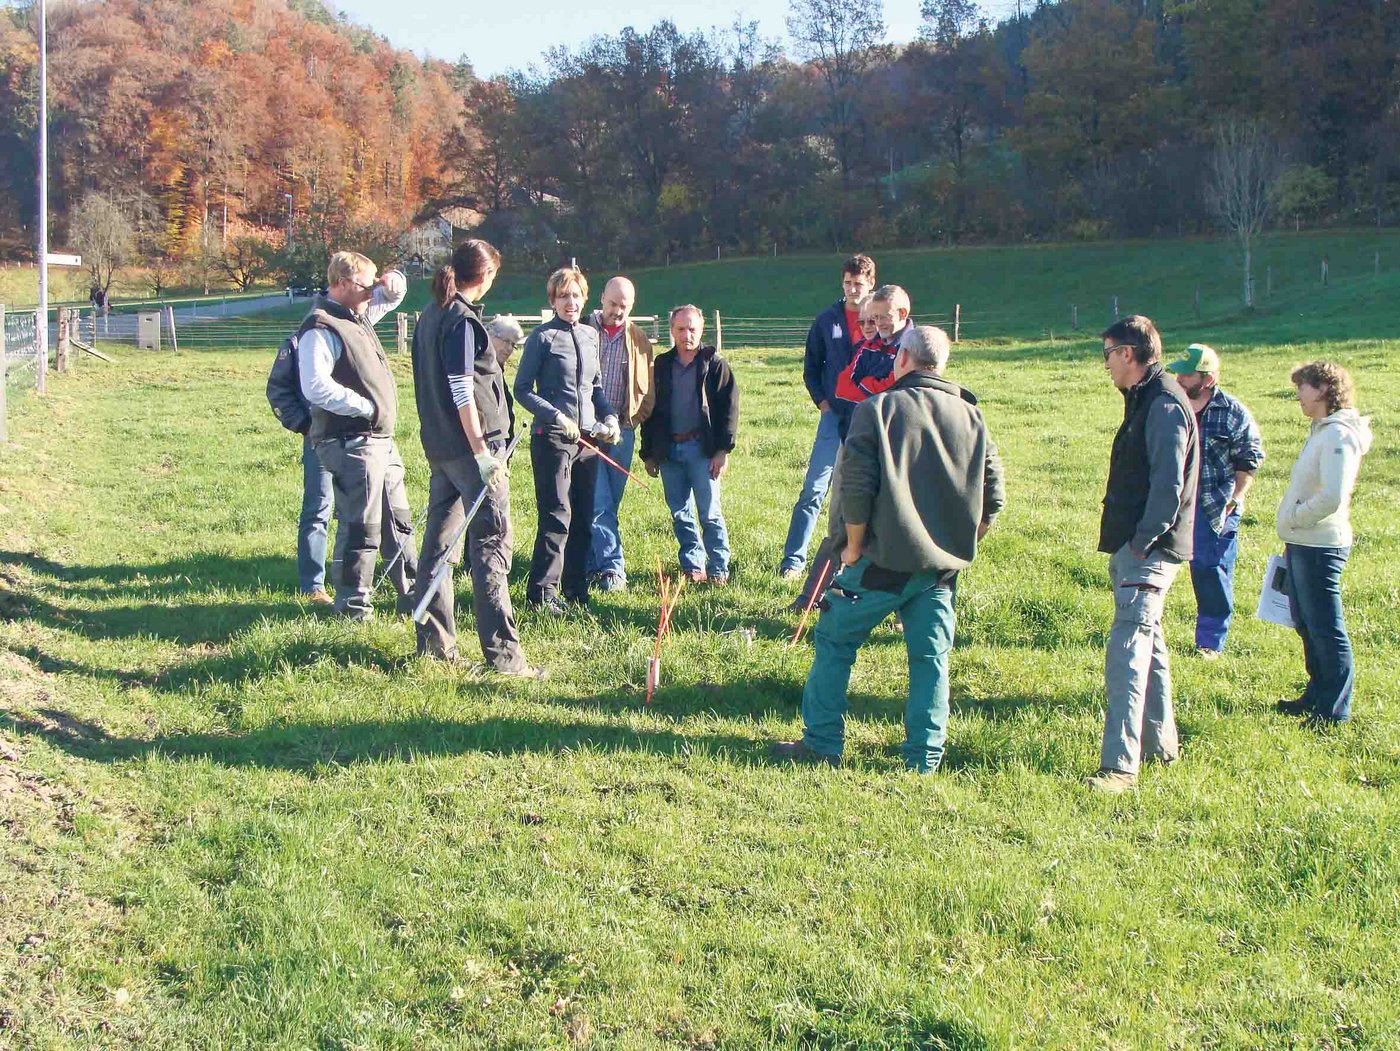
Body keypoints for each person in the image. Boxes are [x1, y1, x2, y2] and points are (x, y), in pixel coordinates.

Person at [772, 326, 1004, 772]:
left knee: (835, 641)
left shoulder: (878, 410)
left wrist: (853, 547)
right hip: (940, 568)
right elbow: (993, 499)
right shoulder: (972, 416)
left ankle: (822, 743)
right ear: (941, 365)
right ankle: (924, 759)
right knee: (931, 660)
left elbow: (855, 489)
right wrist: (961, 543)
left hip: (879, 562)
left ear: (901, 360)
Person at [407, 239, 544, 678]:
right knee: (491, 548)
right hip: (471, 454)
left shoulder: (430, 314)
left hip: (441, 450)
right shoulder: (462, 321)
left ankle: (434, 644)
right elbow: (461, 388)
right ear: (484, 277)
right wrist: (483, 451)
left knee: (438, 547)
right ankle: (504, 658)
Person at [1090, 315, 1199, 794]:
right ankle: (1161, 746)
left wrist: (1139, 544)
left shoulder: (1164, 404)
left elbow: (1168, 488)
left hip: (1149, 549)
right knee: (1149, 642)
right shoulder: (1146, 398)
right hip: (1139, 546)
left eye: (1108, 355)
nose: (1106, 365)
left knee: (1127, 652)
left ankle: (1120, 768)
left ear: (1129, 354)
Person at [297, 251, 418, 621]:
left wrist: (393, 278)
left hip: (378, 440)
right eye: (366, 285)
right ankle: (353, 607)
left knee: (398, 523)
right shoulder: (321, 328)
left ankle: (414, 599)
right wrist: (366, 407)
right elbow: (315, 387)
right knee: (361, 528)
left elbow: (393, 295)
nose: (372, 293)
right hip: (351, 441)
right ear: (341, 284)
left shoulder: (358, 315)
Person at [792, 284, 919, 612]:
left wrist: (873, 391)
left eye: (883, 317)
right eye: (873, 318)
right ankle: (810, 600)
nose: (877, 324)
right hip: (855, 440)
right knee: (840, 523)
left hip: (895, 451)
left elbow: (899, 391)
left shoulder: (916, 347)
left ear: (903, 314)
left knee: (895, 529)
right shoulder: (872, 343)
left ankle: (898, 613)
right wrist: (875, 391)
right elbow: (844, 385)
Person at [514, 267, 620, 613]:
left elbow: (597, 388)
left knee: (583, 515)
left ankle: (576, 591)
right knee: (557, 514)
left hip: (588, 441)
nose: (570, 302)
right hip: (553, 439)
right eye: (563, 296)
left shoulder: (591, 336)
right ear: (553, 300)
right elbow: (522, 390)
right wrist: (557, 416)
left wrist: (609, 418)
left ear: (585, 298)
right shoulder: (541, 338)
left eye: (576, 295)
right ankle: (542, 594)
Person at [1275, 361, 1372, 727]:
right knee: (1306, 622)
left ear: (1324, 390)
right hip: (1302, 542)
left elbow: (1333, 496)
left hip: (1321, 544)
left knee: (1326, 626)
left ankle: (1333, 711)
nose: (1298, 394)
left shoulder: (1337, 436)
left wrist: (1295, 517)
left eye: (1303, 387)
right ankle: (1316, 694)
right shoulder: (1321, 430)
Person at [779, 254, 877, 579]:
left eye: (858, 284)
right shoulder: (827, 321)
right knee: (814, 489)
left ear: (870, 284)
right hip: (833, 418)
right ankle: (793, 561)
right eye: (847, 283)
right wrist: (822, 402)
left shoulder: (881, 321)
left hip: (870, 420)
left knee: (863, 491)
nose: (852, 289)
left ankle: (856, 563)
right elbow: (811, 367)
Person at [1164, 343, 1264, 657]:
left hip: (1214, 504)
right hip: (1174, 501)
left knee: (1210, 568)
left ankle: (1209, 642)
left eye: (1187, 374)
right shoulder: (1171, 407)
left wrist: (1234, 499)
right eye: (1178, 372)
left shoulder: (1233, 413)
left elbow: (1248, 460)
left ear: (1207, 378)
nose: (1179, 378)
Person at [641, 305, 739, 585]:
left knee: (709, 512)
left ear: (701, 330)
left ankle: (719, 568)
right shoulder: (661, 365)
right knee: (680, 513)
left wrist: (722, 450)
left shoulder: (715, 364)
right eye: (681, 329)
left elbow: (729, 409)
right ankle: (693, 565)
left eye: (692, 329)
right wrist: (649, 453)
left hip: (702, 449)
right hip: (670, 451)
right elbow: (651, 411)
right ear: (672, 331)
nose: (687, 335)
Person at [586, 276, 656, 592]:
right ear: (601, 299)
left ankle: (589, 564)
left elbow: (648, 390)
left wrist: (631, 422)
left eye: (623, 306)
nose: (617, 311)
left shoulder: (639, 339)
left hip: (622, 433)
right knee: (597, 501)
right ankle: (614, 570)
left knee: (609, 501)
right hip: (587, 431)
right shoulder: (584, 331)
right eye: (612, 304)